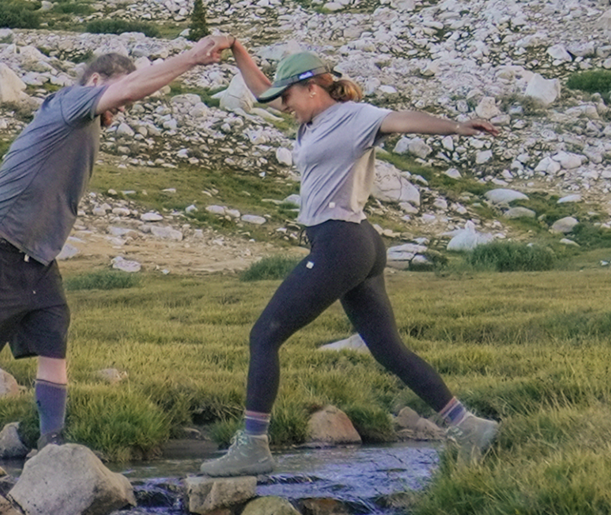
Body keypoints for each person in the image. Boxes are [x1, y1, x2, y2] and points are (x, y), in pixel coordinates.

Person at [0, 33, 236, 469]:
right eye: (118, 92)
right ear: (95, 80)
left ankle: (53, 446)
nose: (124, 105)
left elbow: (128, 90)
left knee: (54, 343)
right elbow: (128, 87)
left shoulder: (87, 121)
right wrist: (192, 58)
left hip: (37, 258)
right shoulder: (70, 102)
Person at [201, 43, 503, 477]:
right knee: (388, 348)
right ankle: (467, 426)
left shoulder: (353, 116)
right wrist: (236, 50)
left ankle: (253, 447)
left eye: (287, 98)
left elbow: (400, 120)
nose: (281, 106)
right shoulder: (312, 118)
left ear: (309, 89)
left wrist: (456, 127)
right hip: (356, 242)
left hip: (341, 243)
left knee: (264, 336)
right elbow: (263, 87)